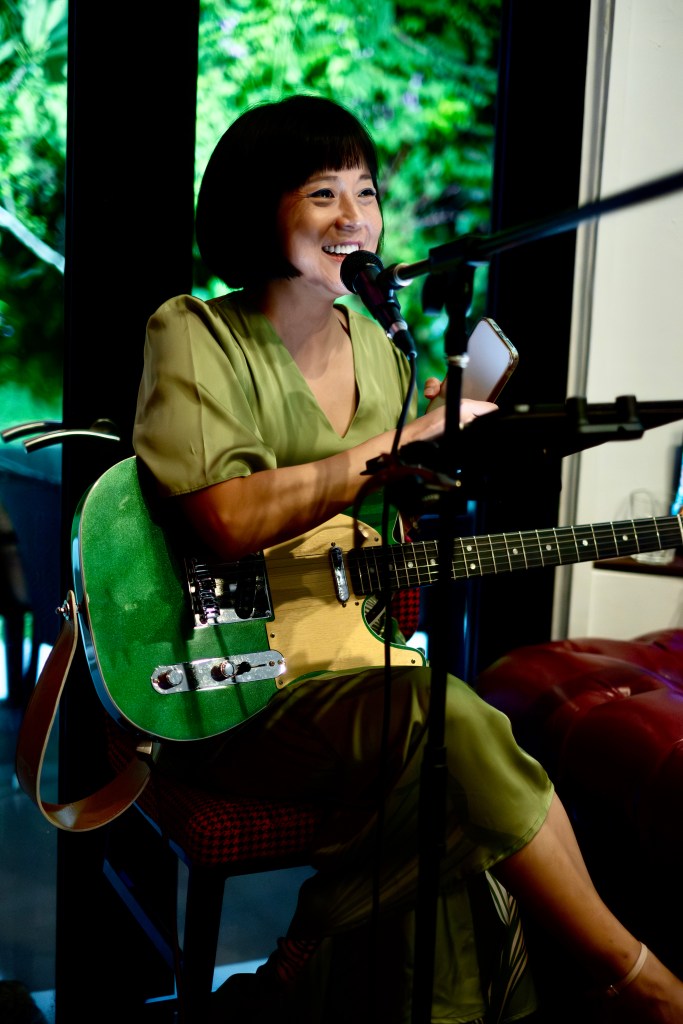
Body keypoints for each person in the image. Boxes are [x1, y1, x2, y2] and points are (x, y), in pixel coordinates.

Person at [132, 94, 683, 1024]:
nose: (354, 217)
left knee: (456, 775)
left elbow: (377, 525)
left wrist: (441, 458)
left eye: (367, 192)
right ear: (260, 209)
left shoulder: (382, 353)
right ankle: (636, 982)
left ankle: (313, 978)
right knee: (452, 732)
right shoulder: (193, 331)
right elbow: (224, 520)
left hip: (354, 662)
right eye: (322, 193)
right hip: (229, 679)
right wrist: (392, 447)